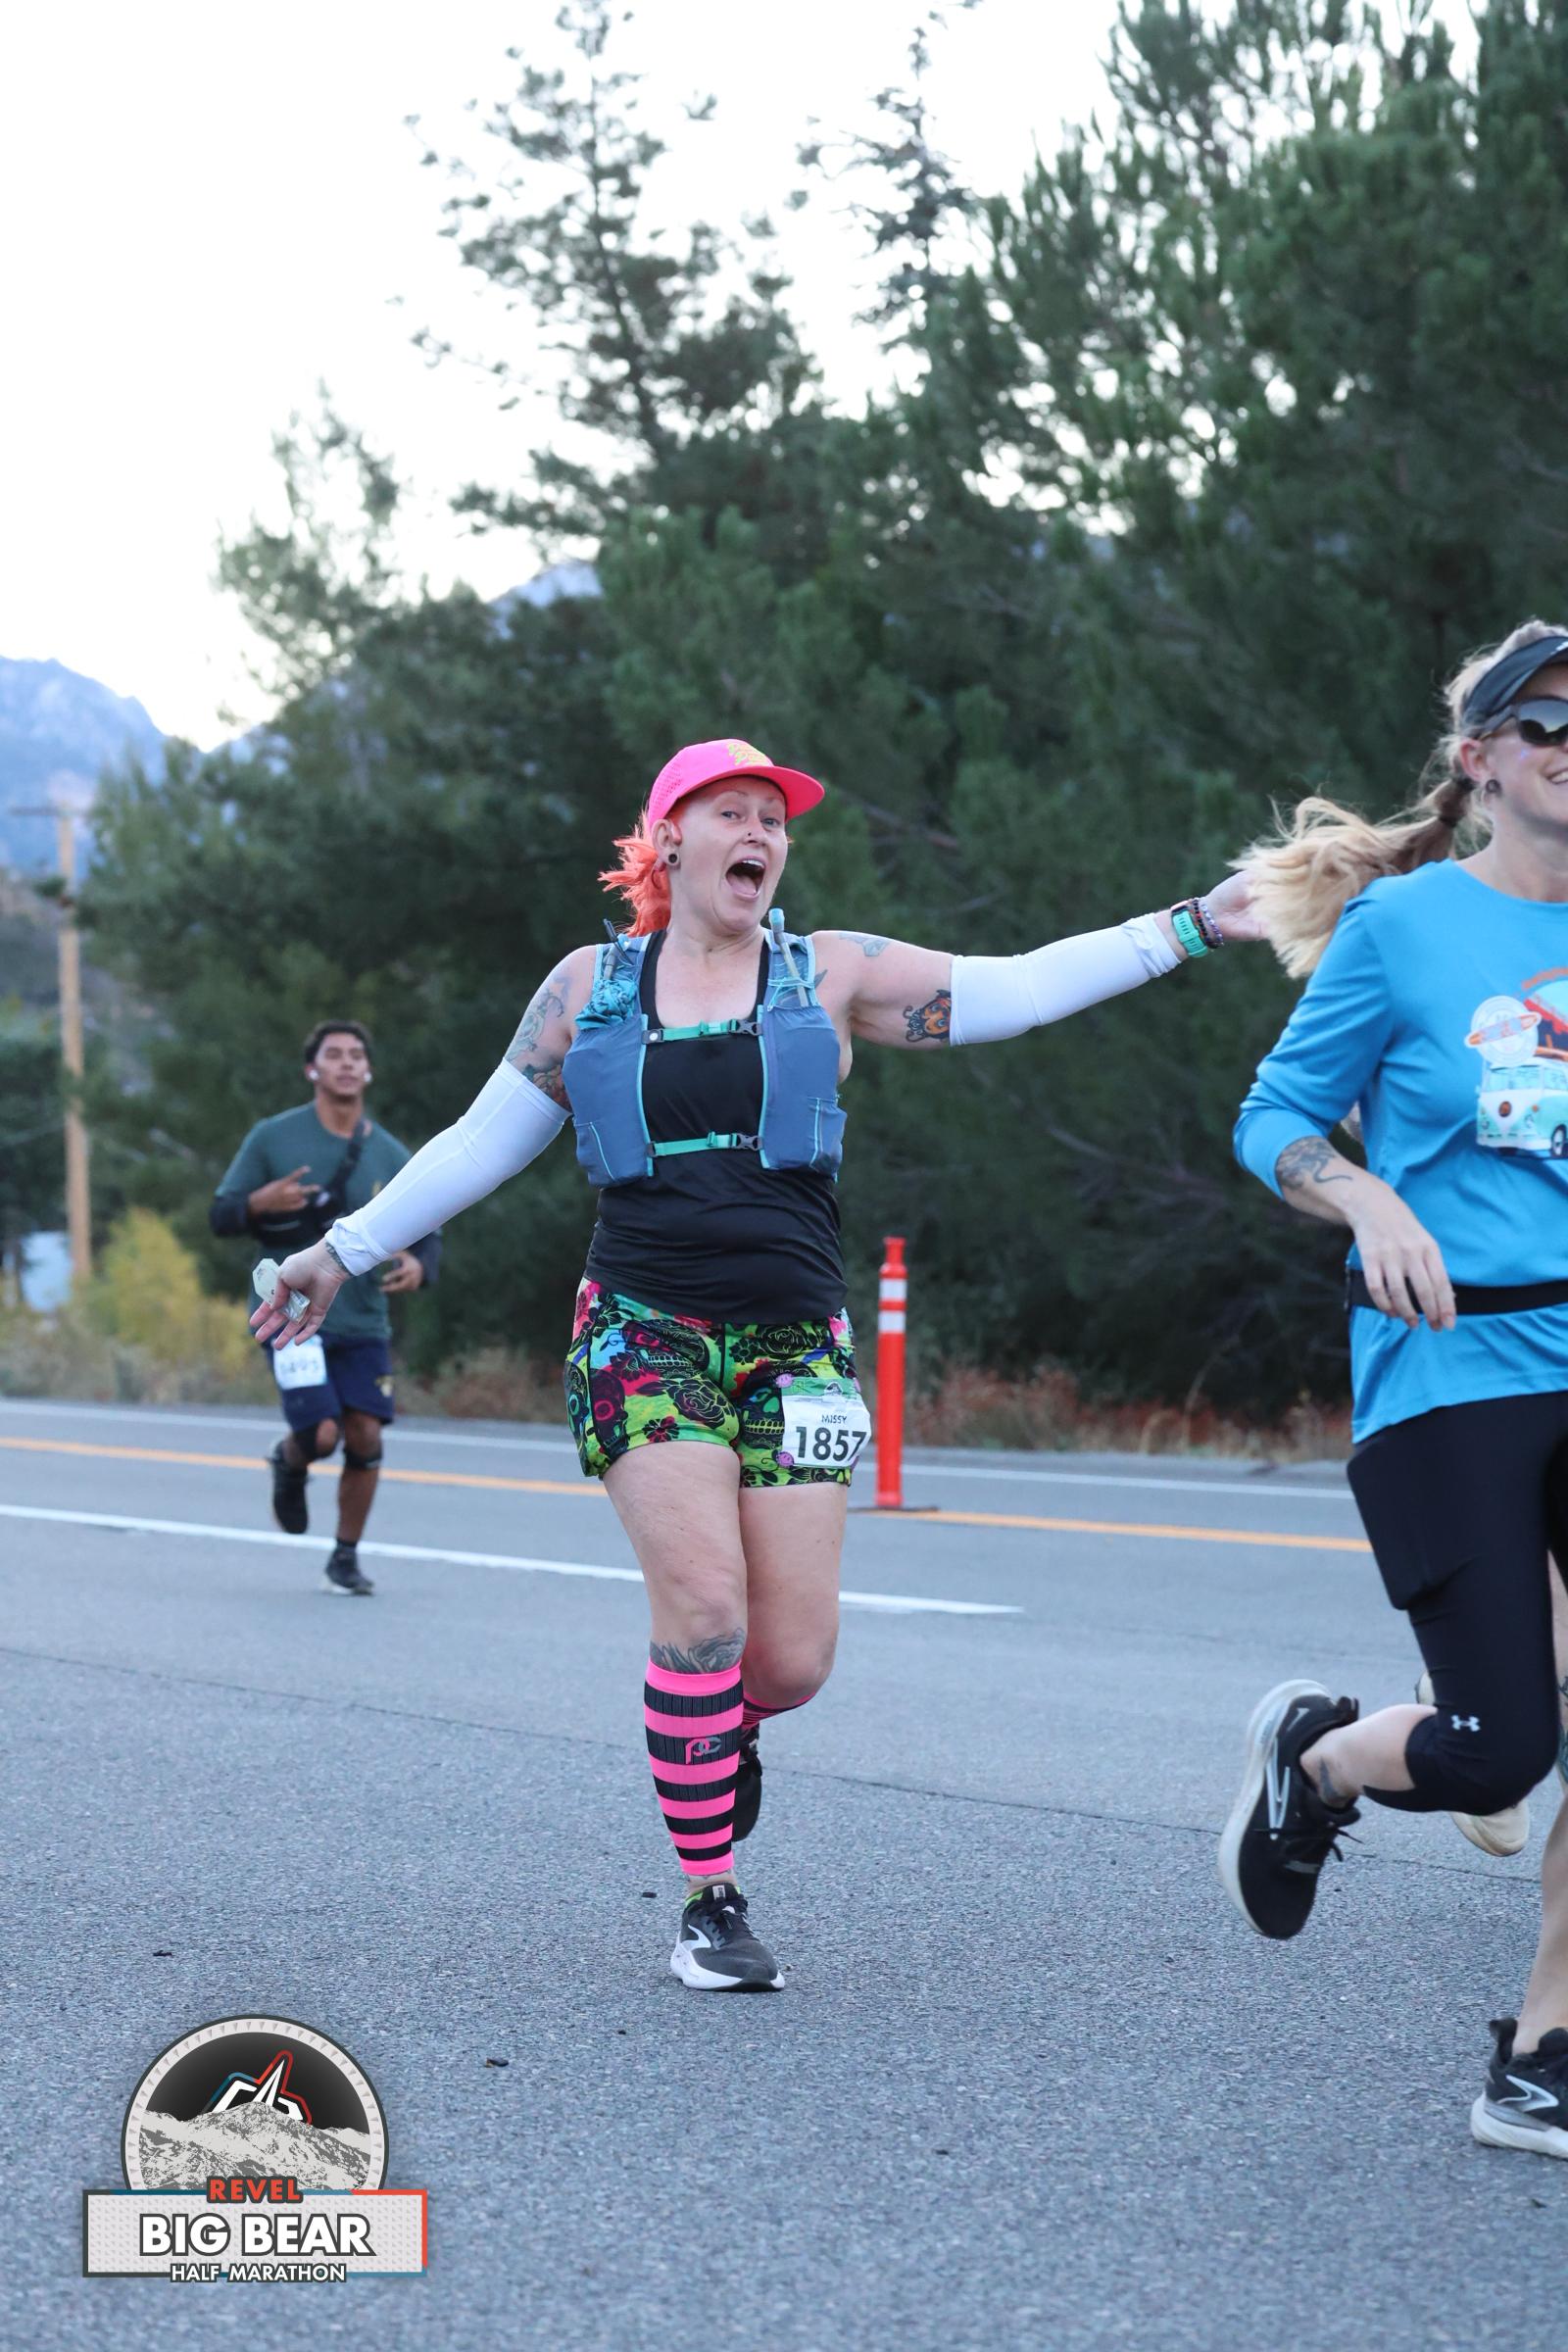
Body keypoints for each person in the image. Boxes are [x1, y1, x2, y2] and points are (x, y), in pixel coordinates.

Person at [254, 735, 1259, 1988]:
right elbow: (478, 1141)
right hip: (641, 1328)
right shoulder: (589, 988)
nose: (761, 835)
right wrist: (341, 1251)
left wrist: (1194, 924)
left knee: (787, 1660)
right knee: (706, 1616)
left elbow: (1020, 988)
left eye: (774, 820)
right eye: (732, 812)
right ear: (668, 839)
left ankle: (719, 1730)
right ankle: (709, 1901)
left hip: (795, 1343)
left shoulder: (828, 972)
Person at [1220, 618, 1568, 2158]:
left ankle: (1542, 2054)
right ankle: (1321, 1762)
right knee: (1500, 1750)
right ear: (1481, 759)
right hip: (1452, 1369)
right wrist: (1368, 1200)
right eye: (1547, 721)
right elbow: (1274, 1116)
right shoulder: (1406, 928)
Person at [211, 1019, 440, 1595]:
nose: (346, 1063)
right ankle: (289, 1462)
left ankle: (344, 1558)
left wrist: (420, 1266)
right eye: (333, 1054)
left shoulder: (389, 1152)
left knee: (365, 1436)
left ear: (368, 1071)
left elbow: (429, 1227)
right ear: (312, 1069)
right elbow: (221, 1216)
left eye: (356, 1055)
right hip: (288, 1313)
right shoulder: (273, 1138)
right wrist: (259, 1203)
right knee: (320, 1435)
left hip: (364, 1319)